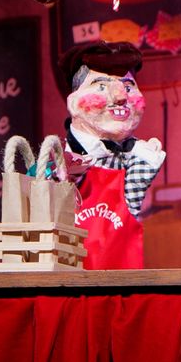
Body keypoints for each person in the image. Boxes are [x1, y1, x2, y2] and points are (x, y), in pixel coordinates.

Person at [57, 40, 165, 269]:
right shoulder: (53, 167)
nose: (120, 97)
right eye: (101, 85)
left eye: (128, 86)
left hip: (122, 292)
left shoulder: (141, 160)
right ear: (73, 102)